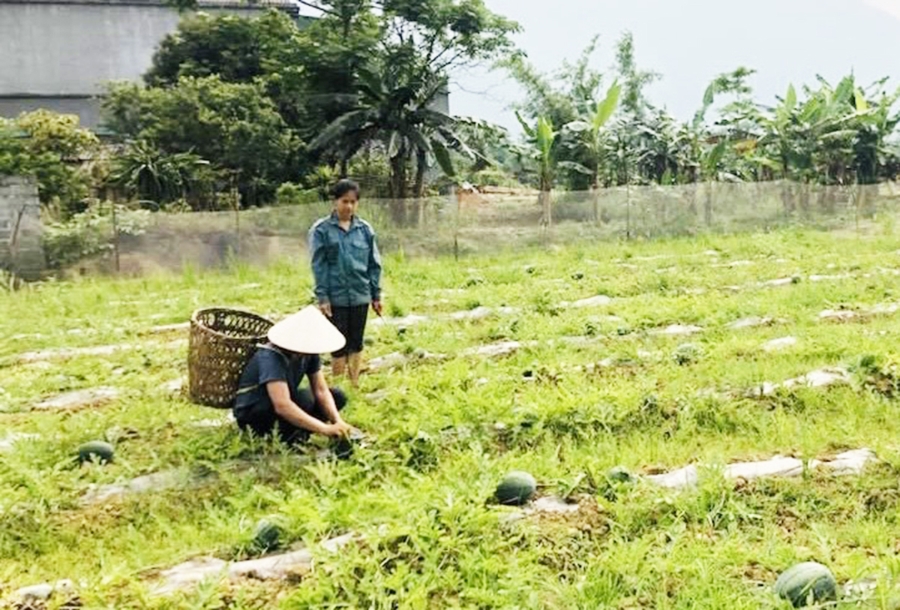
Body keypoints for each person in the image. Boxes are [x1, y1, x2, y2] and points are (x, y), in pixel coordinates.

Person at [233, 305, 357, 444]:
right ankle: (289, 433)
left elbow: (321, 390)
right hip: (256, 412)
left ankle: (296, 430)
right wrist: (325, 429)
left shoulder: (309, 353)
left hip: (281, 404)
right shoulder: (271, 357)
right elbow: (282, 405)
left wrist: (337, 422)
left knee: (337, 396)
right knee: (292, 403)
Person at [308, 179, 383, 387]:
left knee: (356, 341)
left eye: (352, 202)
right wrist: (322, 297)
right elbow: (319, 265)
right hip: (336, 297)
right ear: (335, 202)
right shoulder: (322, 230)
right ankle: (338, 387)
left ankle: (354, 383)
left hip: (360, 293)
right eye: (344, 201)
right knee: (338, 343)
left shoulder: (365, 230)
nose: (348, 206)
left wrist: (376, 295)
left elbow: (374, 264)